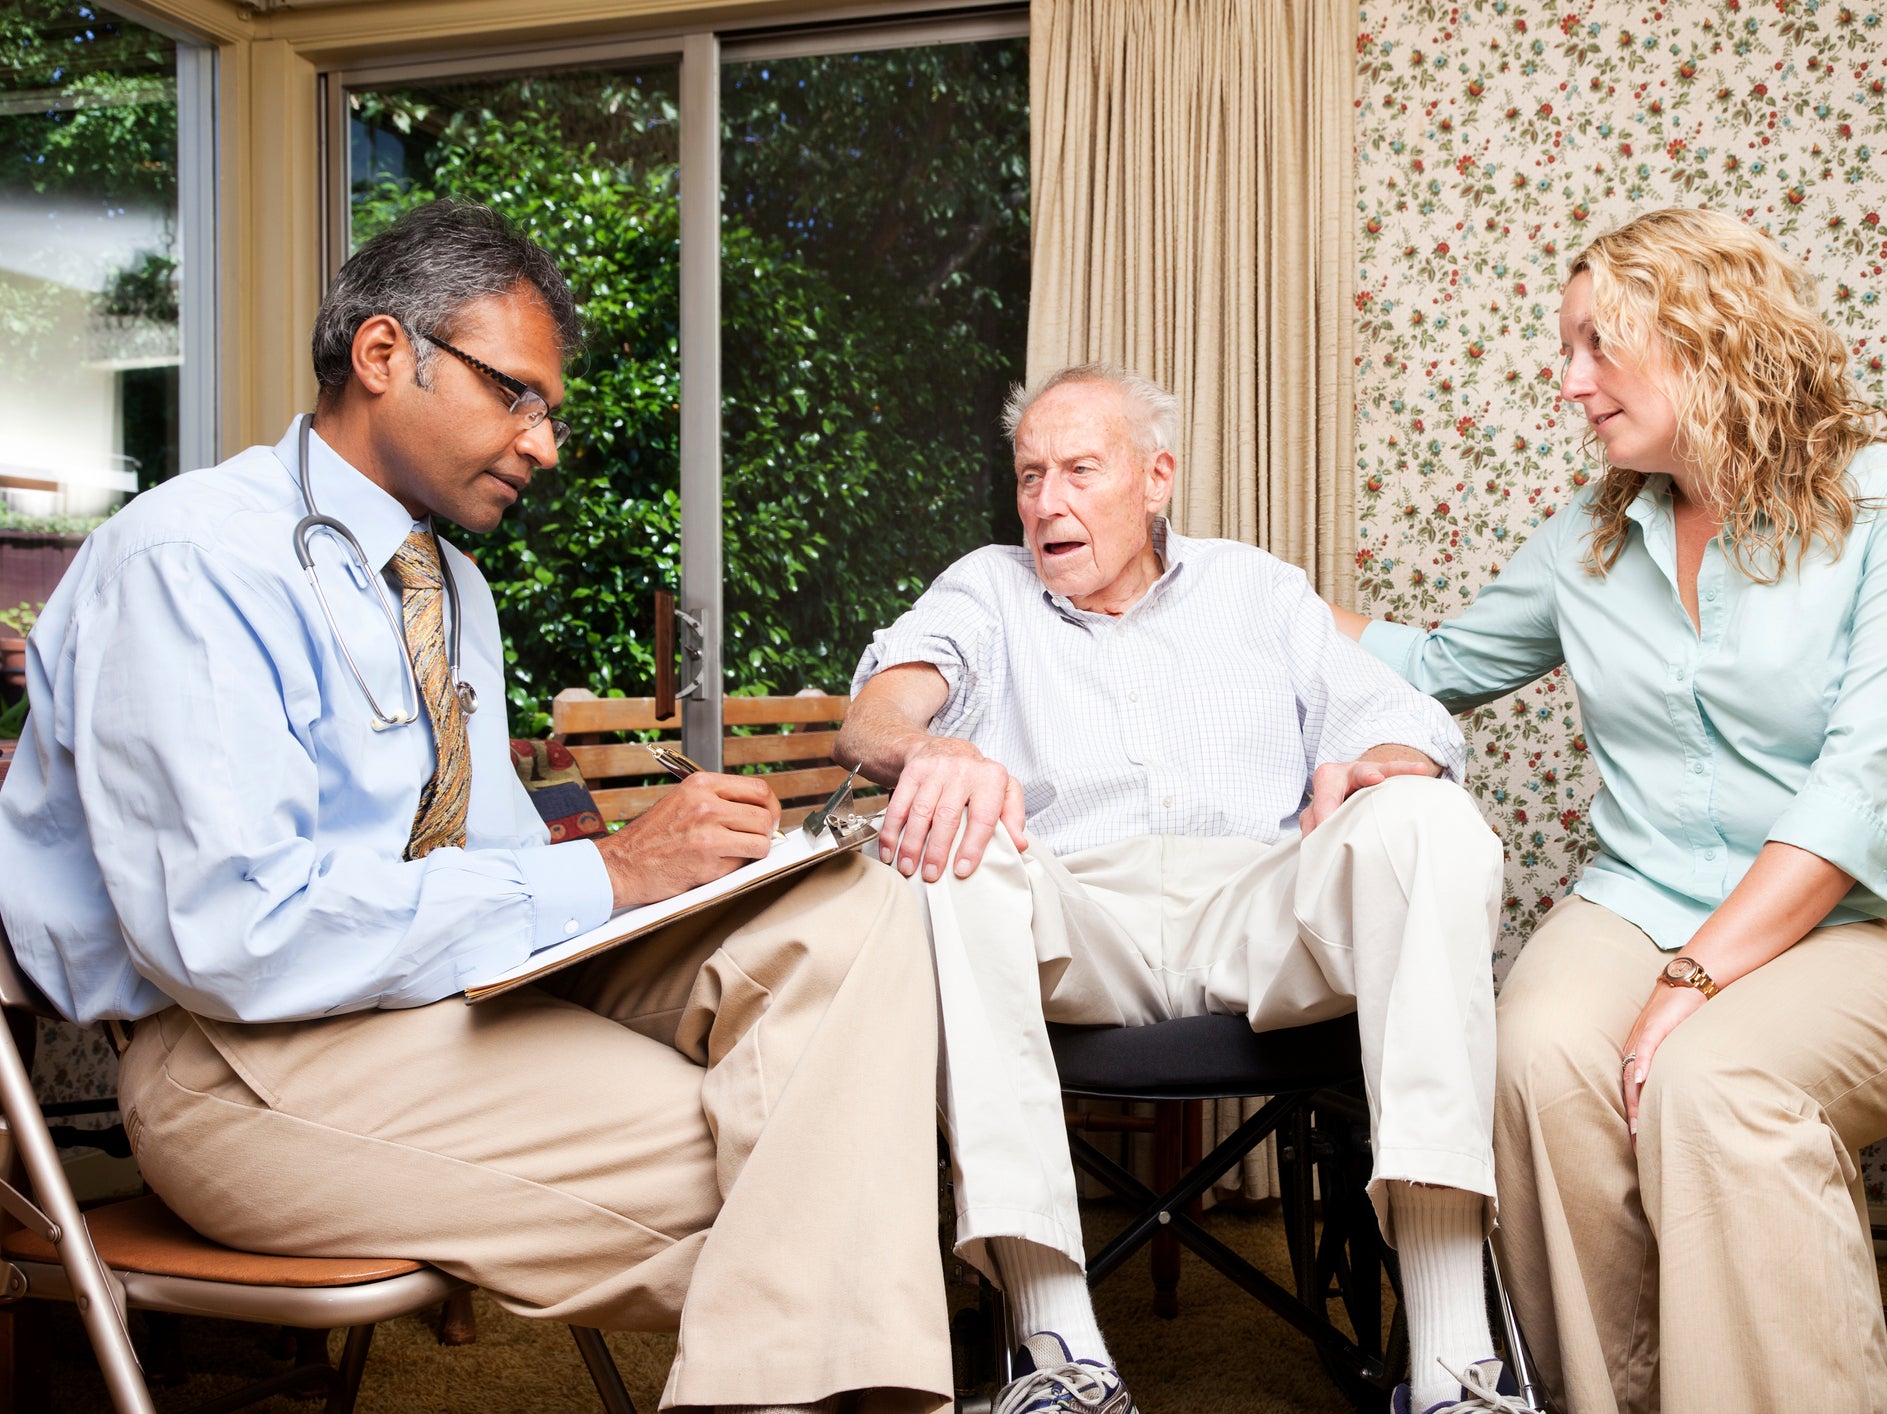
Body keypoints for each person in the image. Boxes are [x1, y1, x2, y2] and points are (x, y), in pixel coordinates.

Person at [0, 200, 948, 1414]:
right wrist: (607, 875)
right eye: (518, 396)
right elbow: (233, 936)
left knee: (851, 914)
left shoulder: (450, 584)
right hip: (242, 1052)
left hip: (444, 1003)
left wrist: (681, 872)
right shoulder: (189, 561)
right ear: (385, 355)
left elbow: (494, 858)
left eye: (548, 411)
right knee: (810, 1146)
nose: (544, 444)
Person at [1335, 207, 1887, 1414]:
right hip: (1642, 900)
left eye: (1596, 344)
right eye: (1566, 350)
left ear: (1706, 334)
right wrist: (1231, 594)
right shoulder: (1588, 540)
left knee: (1714, 1080)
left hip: (1883, 930)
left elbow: (1860, 800)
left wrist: (1691, 982)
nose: (1568, 382)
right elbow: (1428, 661)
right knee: (1531, 1058)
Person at [837, 364, 1520, 1414]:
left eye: (1078, 469)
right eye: (1029, 476)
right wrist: (932, 751)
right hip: (1074, 916)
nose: (1046, 502)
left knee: (1426, 817)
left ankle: (1455, 1367)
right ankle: (1056, 1347)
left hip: (1253, 910)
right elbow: (878, 714)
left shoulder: (1258, 589)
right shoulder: (987, 588)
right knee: (948, 846)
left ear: (1155, 479)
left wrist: (1380, 755)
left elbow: (1404, 714)